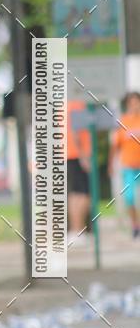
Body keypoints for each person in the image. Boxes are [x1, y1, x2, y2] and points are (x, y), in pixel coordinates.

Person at [109, 92, 140, 238]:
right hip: (128, 166)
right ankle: (135, 225)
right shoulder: (123, 122)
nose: (135, 105)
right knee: (129, 197)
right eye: (131, 103)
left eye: (137, 102)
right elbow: (115, 145)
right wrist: (110, 164)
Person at [66, 99, 91, 236]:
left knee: (75, 193)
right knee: (83, 194)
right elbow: (76, 131)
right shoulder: (77, 104)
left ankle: (76, 230)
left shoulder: (66, 104)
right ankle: (78, 230)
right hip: (77, 155)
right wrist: (83, 156)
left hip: (70, 154)